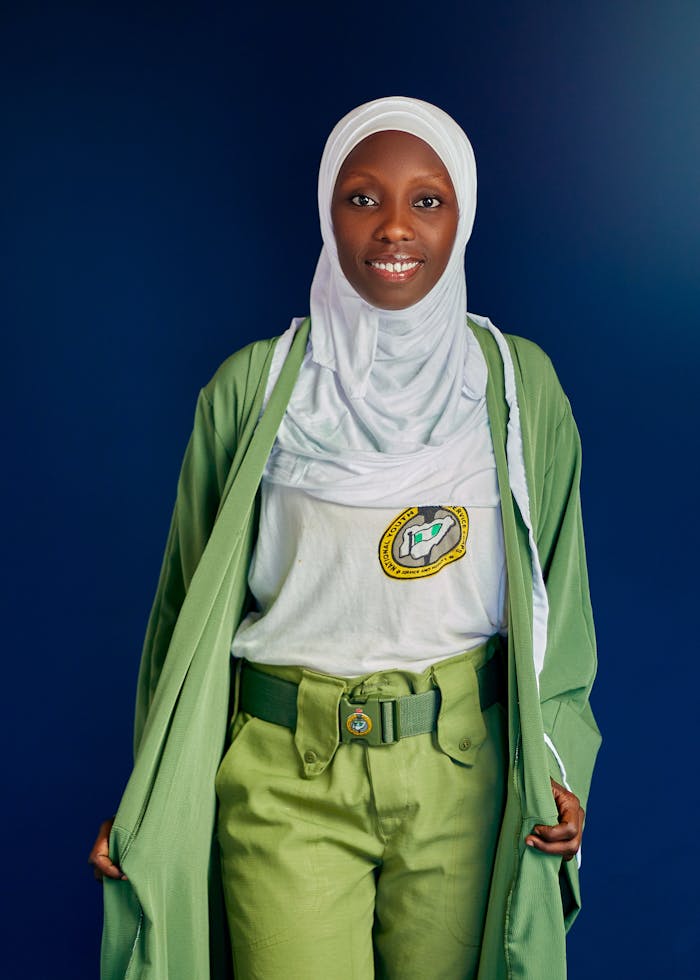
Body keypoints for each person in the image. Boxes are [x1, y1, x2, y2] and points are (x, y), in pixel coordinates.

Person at [90, 96, 600, 980]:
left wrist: (560, 757)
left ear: (464, 214)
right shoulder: (253, 391)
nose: (395, 227)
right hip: (284, 777)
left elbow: (563, 596)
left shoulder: (518, 392)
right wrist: (153, 795)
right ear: (328, 210)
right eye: (363, 198)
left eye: (428, 201)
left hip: (464, 776)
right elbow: (184, 610)